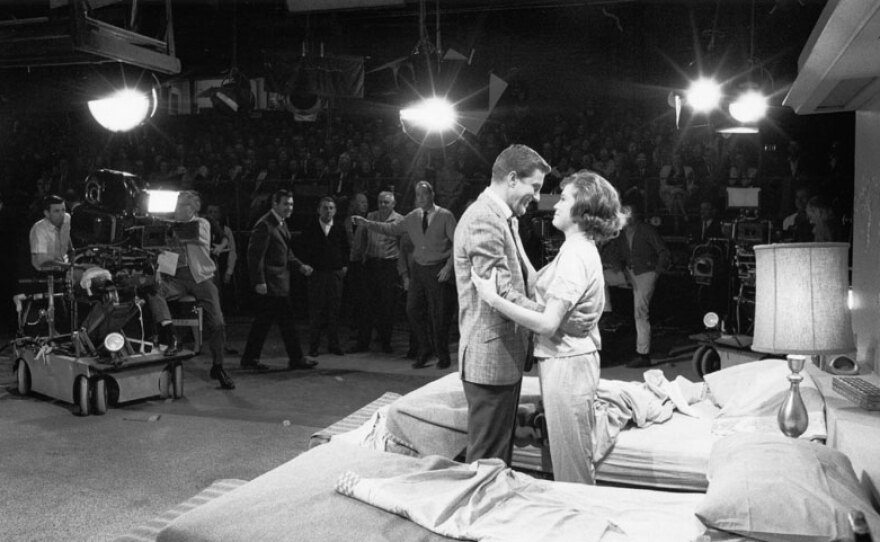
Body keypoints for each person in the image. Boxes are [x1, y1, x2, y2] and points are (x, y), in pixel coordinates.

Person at [471, 170, 627, 483]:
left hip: (568, 365)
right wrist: (513, 233)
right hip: (567, 361)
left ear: (582, 210)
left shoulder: (575, 255)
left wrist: (493, 299)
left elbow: (546, 323)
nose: (554, 204)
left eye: (564, 198)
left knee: (573, 465)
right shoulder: (575, 249)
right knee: (568, 456)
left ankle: (580, 526)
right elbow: (536, 281)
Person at [453, 144, 597, 466]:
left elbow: (526, 281)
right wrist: (555, 317)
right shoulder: (483, 220)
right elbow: (502, 293)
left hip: (506, 356)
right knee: (487, 461)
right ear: (513, 178)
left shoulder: (507, 219)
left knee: (499, 459)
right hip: (489, 361)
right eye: (534, 187)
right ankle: (477, 514)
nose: (536, 197)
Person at [352, 181, 457, 369]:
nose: (421, 198)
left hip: (438, 268)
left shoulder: (445, 216)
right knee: (412, 310)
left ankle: (441, 354)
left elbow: (458, 243)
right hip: (418, 268)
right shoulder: (412, 216)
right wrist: (367, 224)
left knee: (438, 314)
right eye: (418, 195)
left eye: (424, 194)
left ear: (432, 195)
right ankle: (424, 348)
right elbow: (391, 229)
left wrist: (449, 267)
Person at [152, 191, 235, 390]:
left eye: (183, 205)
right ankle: (169, 332)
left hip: (201, 278)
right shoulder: (170, 225)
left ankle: (218, 365)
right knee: (152, 290)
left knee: (217, 322)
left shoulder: (202, 223)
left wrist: (162, 225)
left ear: (193, 208)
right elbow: (157, 248)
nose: (177, 209)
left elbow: (189, 234)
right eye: (177, 205)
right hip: (175, 278)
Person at [240, 190, 317, 371]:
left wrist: (299, 265)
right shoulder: (265, 225)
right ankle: (294, 358)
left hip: (279, 282)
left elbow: (286, 253)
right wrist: (259, 281)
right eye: (286, 204)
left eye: (291, 204)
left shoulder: (280, 223)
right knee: (281, 321)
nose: (290, 207)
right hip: (272, 284)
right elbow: (254, 256)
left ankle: (252, 358)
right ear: (275, 204)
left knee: (268, 322)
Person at [603, 199, 670, 368]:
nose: (625, 215)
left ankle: (643, 354)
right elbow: (613, 251)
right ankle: (607, 311)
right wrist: (618, 266)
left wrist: (657, 272)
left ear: (636, 215)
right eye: (623, 212)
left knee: (640, 313)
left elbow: (663, 251)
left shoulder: (646, 230)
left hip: (646, 273)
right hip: (629, 272)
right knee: (600, 277)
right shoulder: (621, 233)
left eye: (628, 213)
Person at [352, 191, 405, 354]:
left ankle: (385, 343)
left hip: (389, 266)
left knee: (387, 307)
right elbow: (360, 240)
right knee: (366, 305)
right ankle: (362, 343)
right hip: (371, 264)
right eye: (381, 202)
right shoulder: (370, 216)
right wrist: (356, 259)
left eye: (386, 202)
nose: (383, 205)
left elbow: (403, 246)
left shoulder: (399, 220)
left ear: (393, 204)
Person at [300, 196, 350, 357]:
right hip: (317, 273)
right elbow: (304, 249)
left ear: (335, 210)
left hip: (335, 273)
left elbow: (345, 248)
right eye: (325, 208)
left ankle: (333, 344)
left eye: (331, 208)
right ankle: (314, 346)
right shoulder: (310, 227)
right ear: (318, 210)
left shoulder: (339, 227)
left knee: (334, 310)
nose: (328, 211)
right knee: (316, 311)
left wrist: (344, 266)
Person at [29, 194, 73, 271]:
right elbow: (43, 263)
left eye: (63, 210)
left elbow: (69, 247)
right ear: (46, 213)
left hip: (67, 268)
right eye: (56, 211)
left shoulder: (67, 218)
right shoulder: (39, 229)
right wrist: (73, 266)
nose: (62, 215)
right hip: (46, 274)